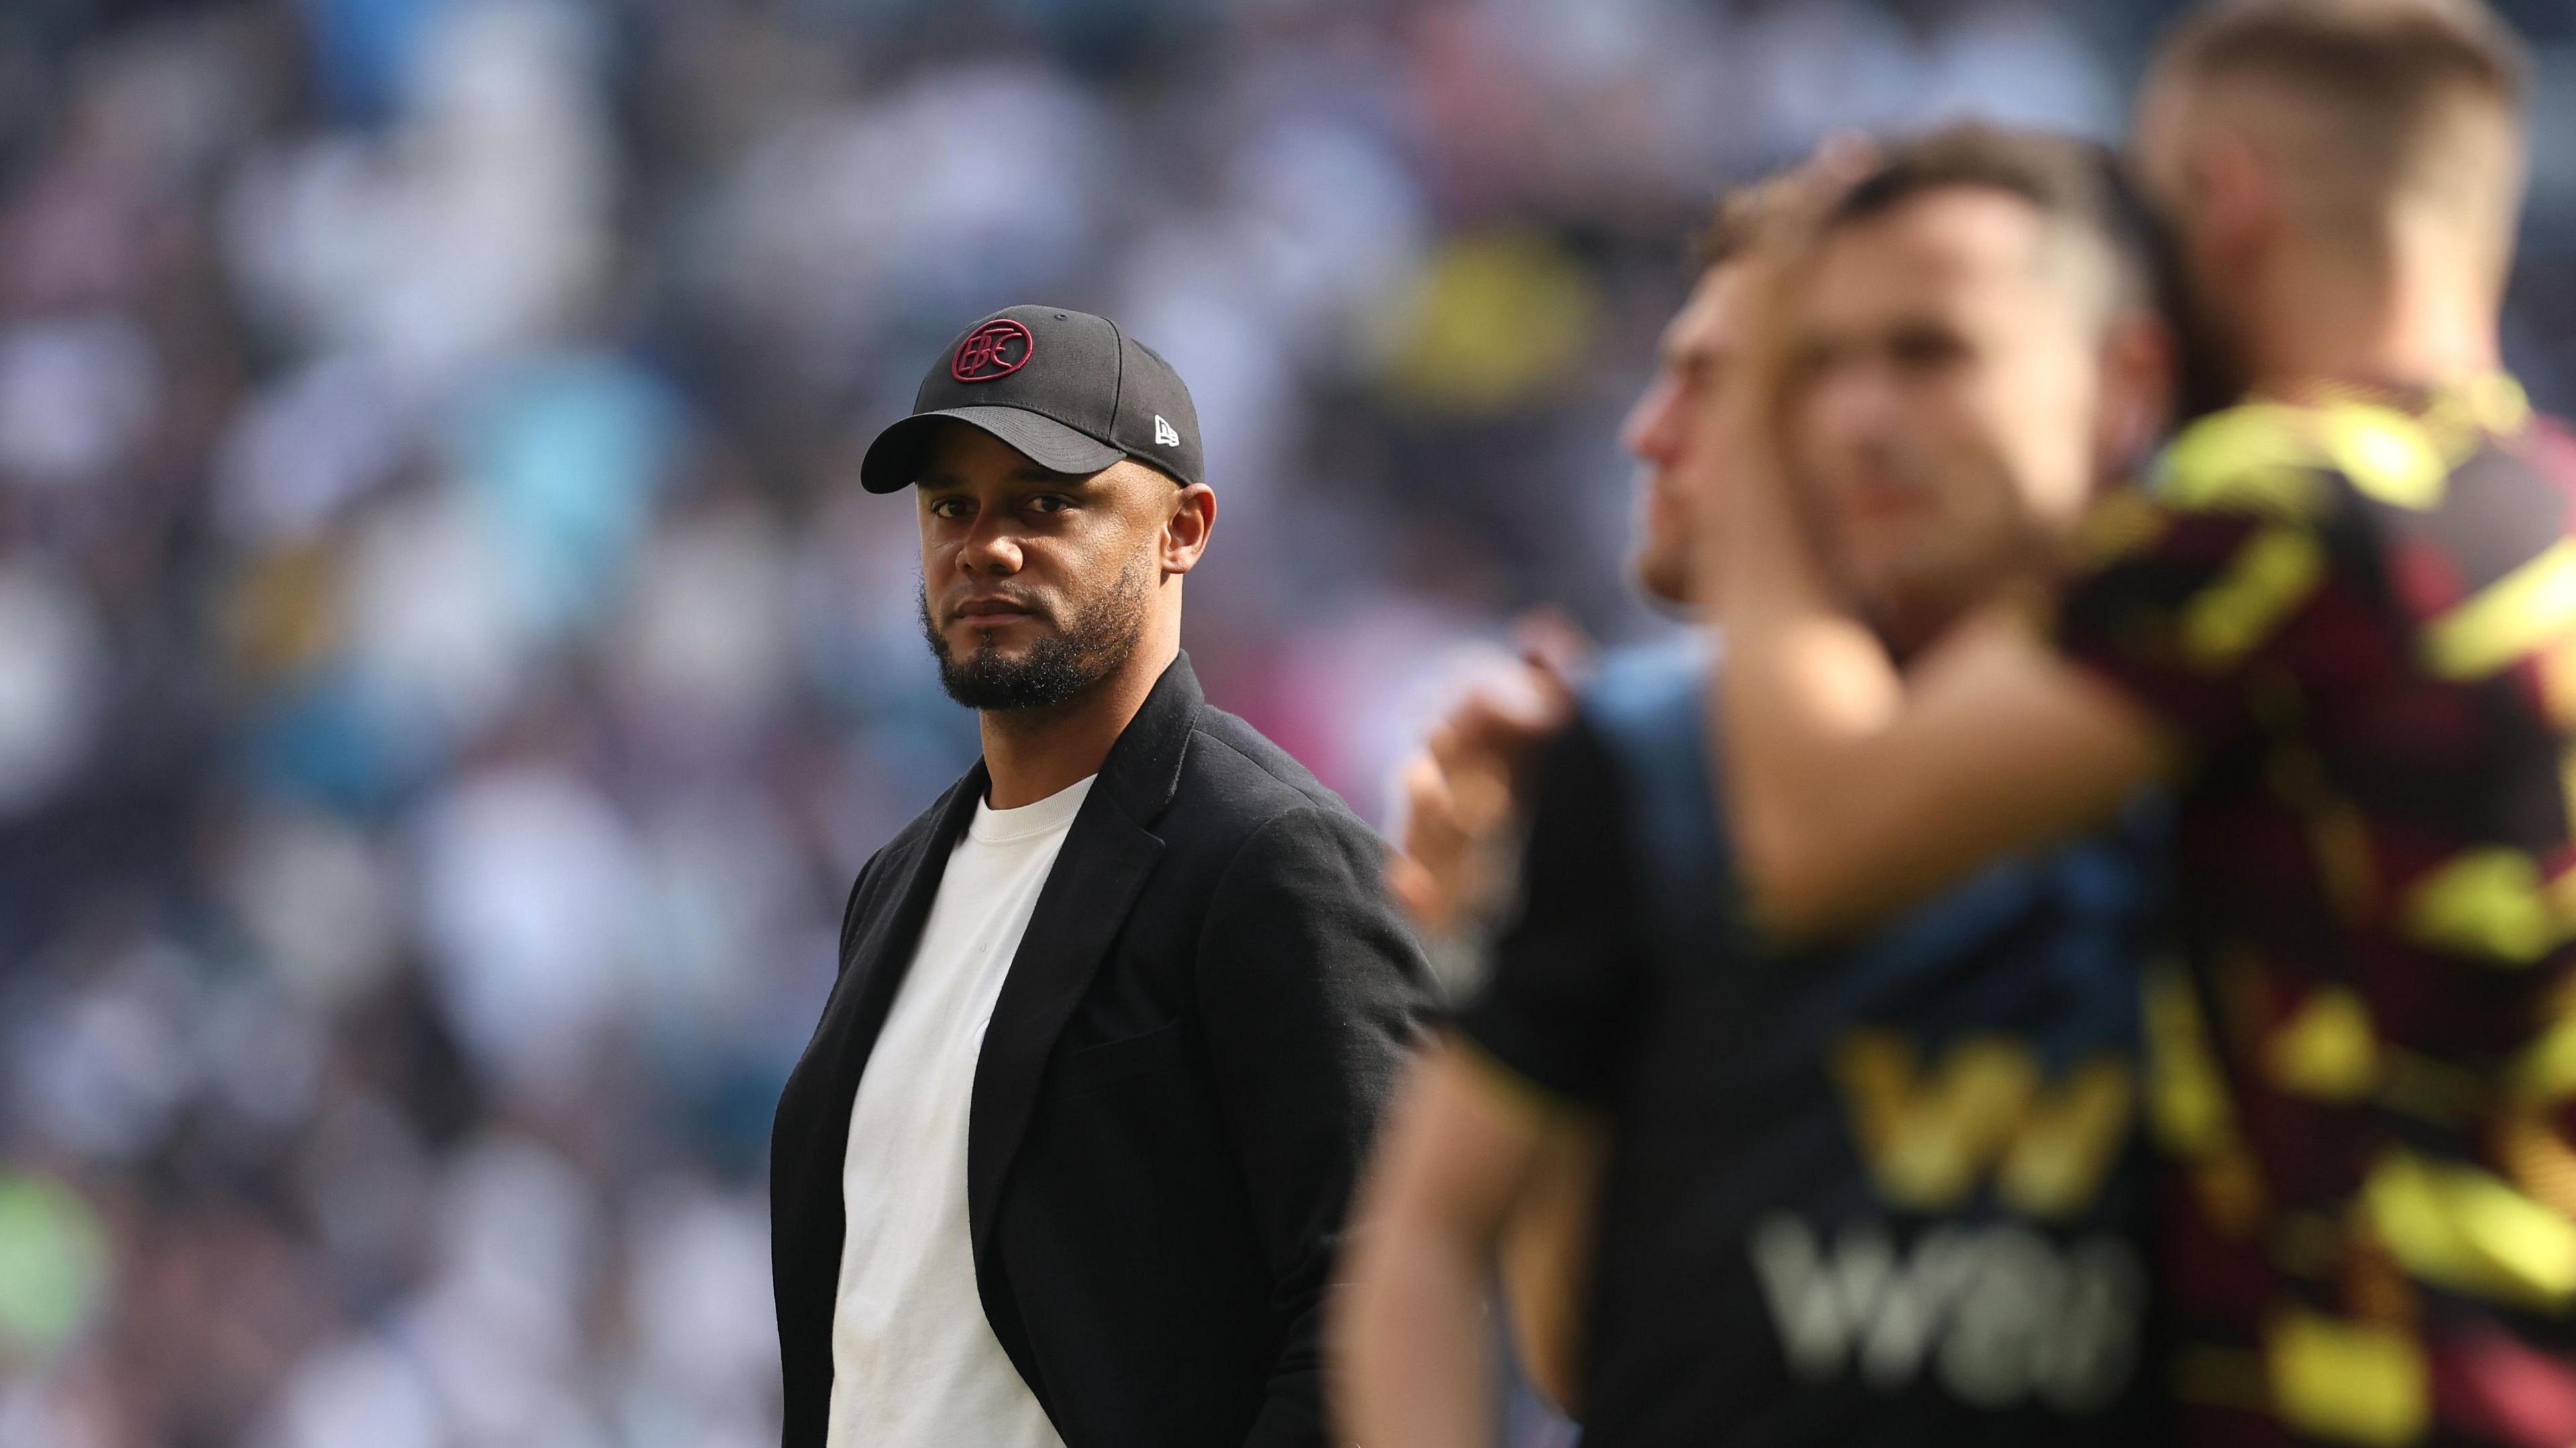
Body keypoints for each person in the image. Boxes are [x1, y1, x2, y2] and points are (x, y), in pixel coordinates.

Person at [1703, 3, 2576, 1445]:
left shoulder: (2284, 502)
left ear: (2223, 201)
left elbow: (1817, 837)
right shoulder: (2544, 514)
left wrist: (1762, 381)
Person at [1335, 125, 2178, 1448]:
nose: (1649, 432)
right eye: (1820, 365)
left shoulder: (2216, 745)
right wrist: (1488, 925)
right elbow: (1581, 1349)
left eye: (1721, 381)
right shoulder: (1642, 759)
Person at [768, 305, 1430, 1448]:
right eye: (951, 508)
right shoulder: (898, 880)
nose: (989, 545)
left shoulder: (1270, 857)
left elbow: (1385, 1312)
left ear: (1184, 529)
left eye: (1048, 502)